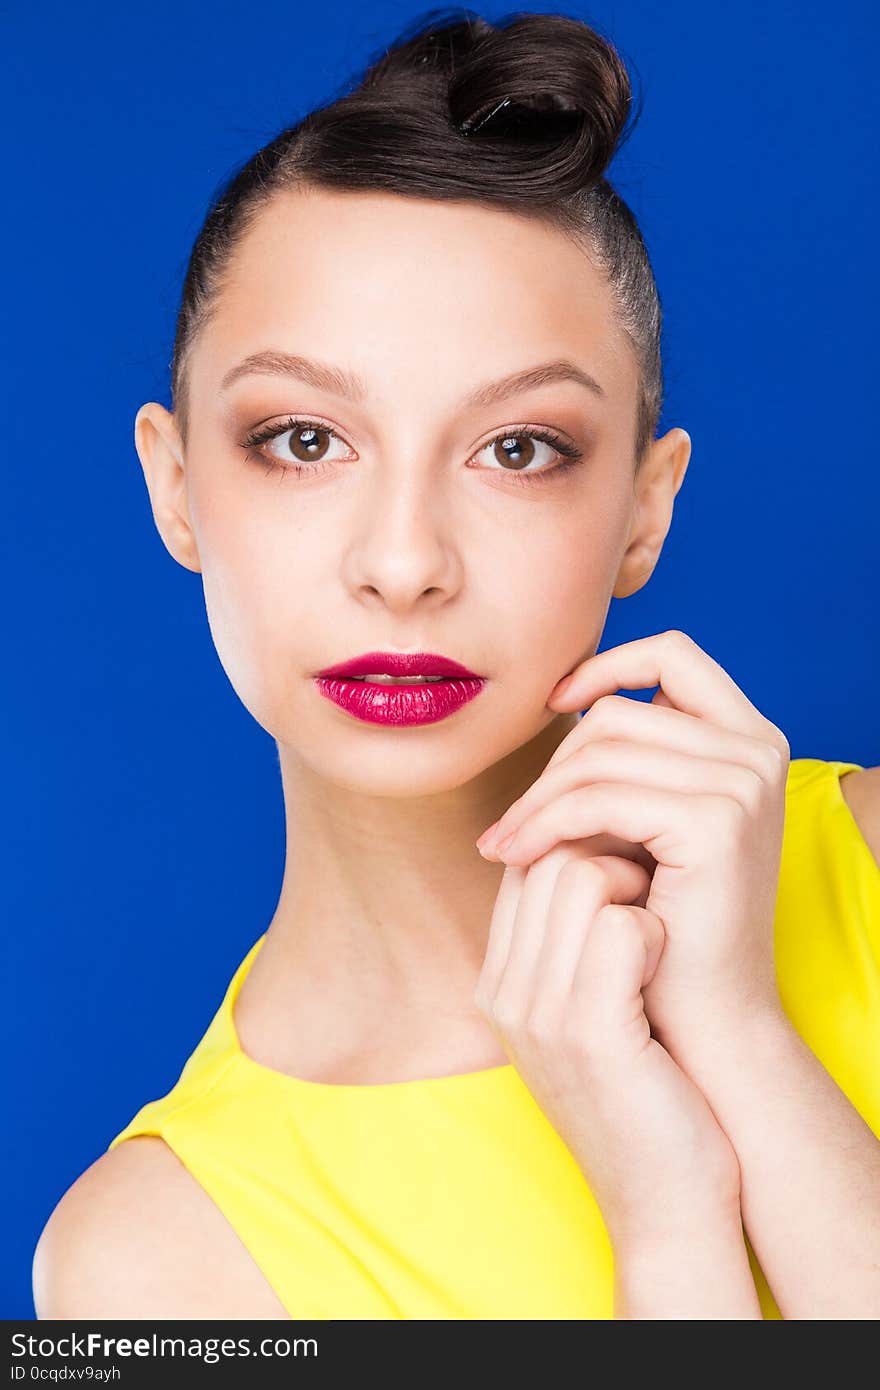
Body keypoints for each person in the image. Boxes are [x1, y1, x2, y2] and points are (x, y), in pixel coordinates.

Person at [32, 8, 880, 1319]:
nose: (407, 560)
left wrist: (743, 1036)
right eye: (304, 439)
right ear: (176, 483)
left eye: (519, 447)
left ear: (647, 508)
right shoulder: (153, 1260)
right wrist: (665, 1212)